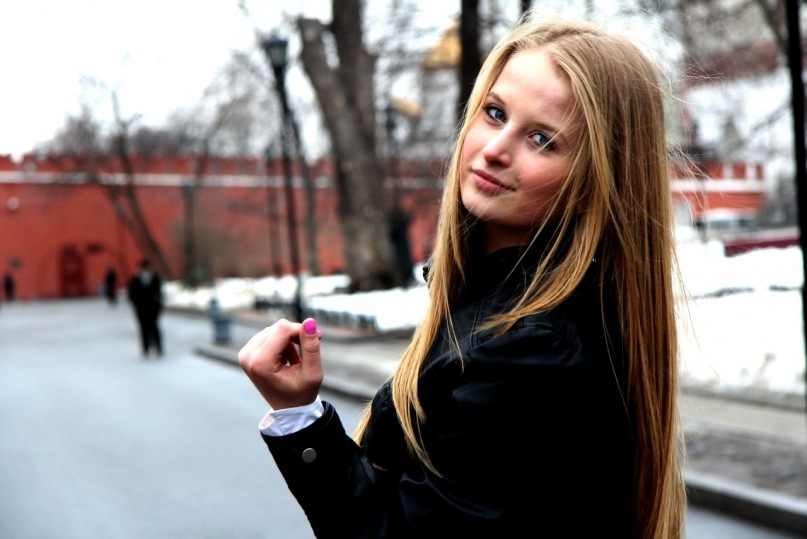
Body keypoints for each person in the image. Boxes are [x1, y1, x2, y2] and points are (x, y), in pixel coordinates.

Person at [239, 17, 685, 538]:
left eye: (542, 139)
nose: (496, 148)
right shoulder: (505, 312)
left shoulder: (533, 350)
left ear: (596, 179)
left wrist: (301, 419)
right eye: (494, 113)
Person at [127, 259, 163, 357]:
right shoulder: (136, 279)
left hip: (149, 307)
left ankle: (153, 348)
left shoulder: (153, 278)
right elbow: (131, 294)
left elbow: (159, 293)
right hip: (144, 307)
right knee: (147, 328)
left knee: (150, 327)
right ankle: (149, 348)